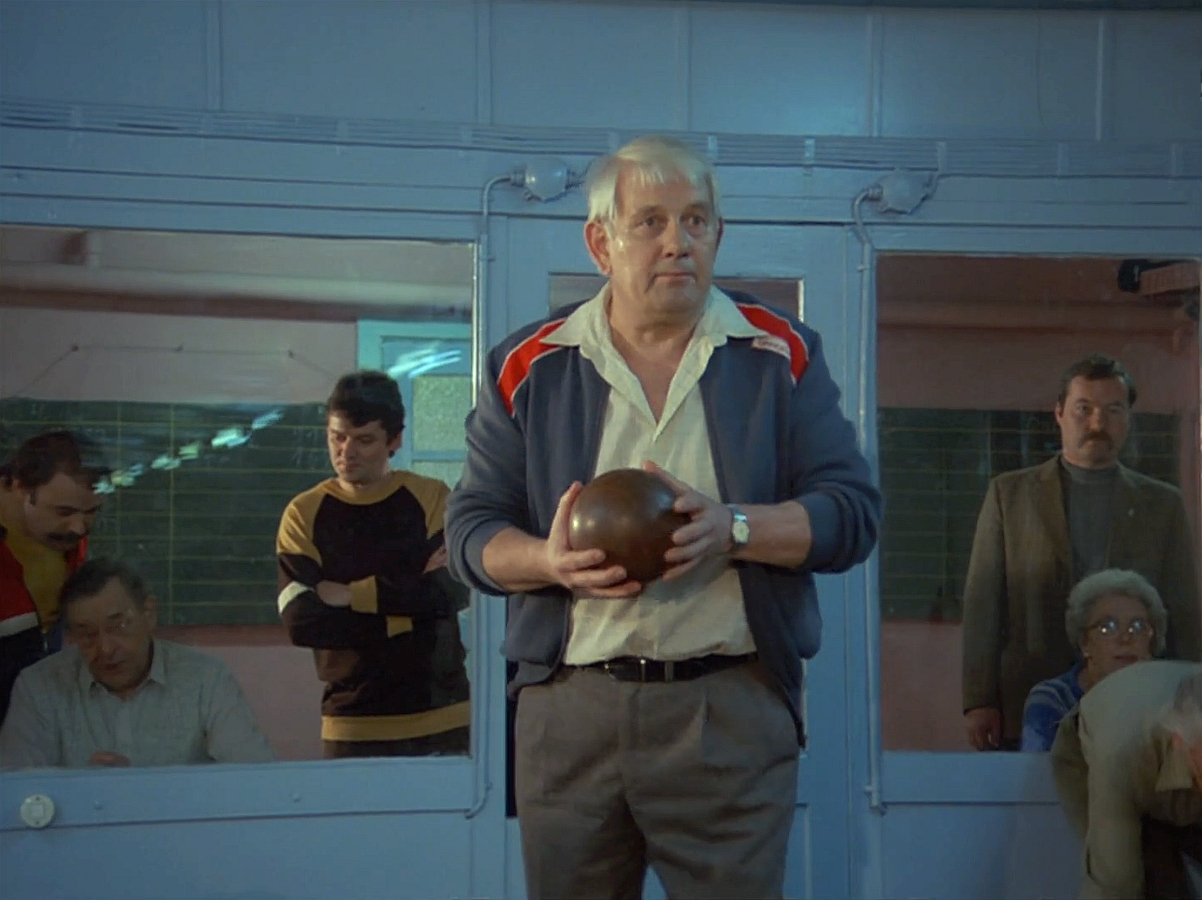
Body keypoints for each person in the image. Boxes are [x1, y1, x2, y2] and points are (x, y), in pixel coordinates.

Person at [445, 135, 881, 898]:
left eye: (696, 221)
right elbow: (470, 531)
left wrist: (733, 529)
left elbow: (851, 514)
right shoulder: (527, 364)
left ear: (718, 234)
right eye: (650, 221)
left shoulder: (780, 352)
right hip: (570, 712)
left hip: (729, 706)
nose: (677, 242)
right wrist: (547, 562)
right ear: (600, 243)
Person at [962, 354, 1201, 751]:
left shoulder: (1163, 505)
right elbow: (983, 604)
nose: (1097, 423)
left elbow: (1184, 612)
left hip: (1135, 705)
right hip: (1028, 698)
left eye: (1113, 410)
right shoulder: (1010, 495)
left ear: (1128, 418)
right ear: (1059, 413)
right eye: (1083, 409)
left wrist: (1192, 704)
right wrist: (979, 699)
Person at [276, 370, 470, 759]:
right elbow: (302, 620)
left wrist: (351, 595)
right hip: (351, 721)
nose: (346, 452)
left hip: (441, 716)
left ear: (394, 441)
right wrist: (408, 611)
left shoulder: (431, 498)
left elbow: (450, 591)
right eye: (337, 437)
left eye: (364, 440)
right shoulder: (304, 513)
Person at [0, 558, 273, 768]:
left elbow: (253, 778)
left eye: (118, 626)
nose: (106, 649)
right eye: (87, 634)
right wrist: (78, 788)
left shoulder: (206, 679)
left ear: (149, 614)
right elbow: (14, 792)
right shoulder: (39, 687)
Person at [1051, 660, 1202, 899]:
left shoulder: (1193, 748)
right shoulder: (1122, 756)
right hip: (1102, 759)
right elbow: (1114, 888)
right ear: (1180, 740)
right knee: (1139, 875)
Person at [0, 429, 107, 726]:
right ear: (21, 488)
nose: (78, 528)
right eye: (63, 512)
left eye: (92, 512)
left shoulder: (65, 537)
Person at [1021, 568, 1165, 752]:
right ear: (1084, 642)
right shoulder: (1053, 699)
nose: (1125, 638)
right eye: (1107, 627)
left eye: (1137, 626)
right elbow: (1042, 766)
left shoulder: (1170, 698)